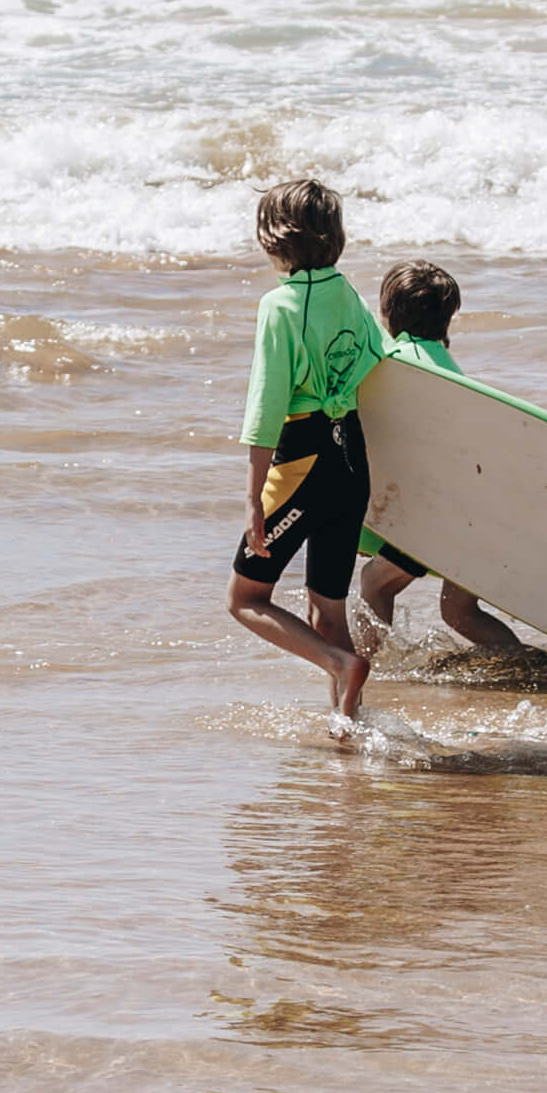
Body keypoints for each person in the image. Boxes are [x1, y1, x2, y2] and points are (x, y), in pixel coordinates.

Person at [228, 171, 383, 724]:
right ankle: (349, 724)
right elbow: (376, 357)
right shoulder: (350, 295)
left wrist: (253, 500)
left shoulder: (280, 306)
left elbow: (266, 408)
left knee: (245, 598)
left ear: (274, 238)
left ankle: (340, 664)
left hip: (302, 459)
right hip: (351, 457)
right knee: (327, 608)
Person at [354, 258, 541, 664]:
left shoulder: (401, 362)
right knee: (459, 612)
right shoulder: (442, 364)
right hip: (478, 513)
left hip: (441, 514)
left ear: (388, 311)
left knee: (375, 582)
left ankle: (365, 670)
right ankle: (524, 664)